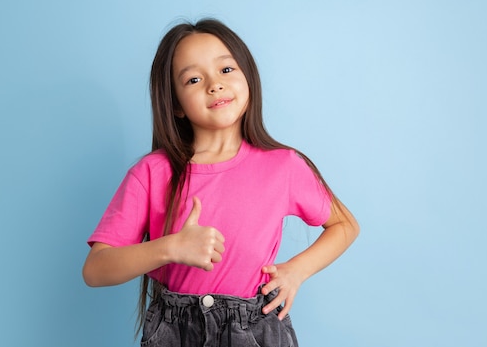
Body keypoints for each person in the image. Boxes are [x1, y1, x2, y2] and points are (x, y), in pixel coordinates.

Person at [82, 18, 359, 347]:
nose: (214, 85)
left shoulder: (284, 165)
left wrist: (296, 270)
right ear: (176, 105)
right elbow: (95, 269)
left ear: (247, 76)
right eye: (194, 79)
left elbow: (345, 225)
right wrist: (171, 247)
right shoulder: (152, 173)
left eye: (226, 70)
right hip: (175, 332)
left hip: (256, 329)